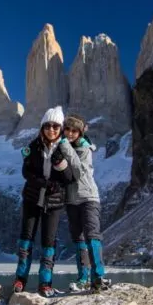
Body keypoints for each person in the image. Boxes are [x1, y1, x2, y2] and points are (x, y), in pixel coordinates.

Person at [13, 106, 74, 297]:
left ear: (61, 128)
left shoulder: (66, 149)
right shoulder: (33, 146)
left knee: (49, 242)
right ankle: (20, 280)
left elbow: (70, 176)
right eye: (47, 126)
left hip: (54, 202)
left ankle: (45, 282)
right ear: (42, 127)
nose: (51, 130)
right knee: (26, 239)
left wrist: (60, 164)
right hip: (32, 198)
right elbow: (26, 171)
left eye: (56, 126)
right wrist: (40, 182)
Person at [58, 114, 109, 292]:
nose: (70, 133)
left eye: (74, 131)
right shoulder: (63, 148)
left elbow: (79, 171)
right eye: (68, 129)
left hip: (88, 198)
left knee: (92, 235)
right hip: (71, 201)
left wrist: (64, 145)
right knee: (78, 239)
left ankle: (99, 276)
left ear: (80, 133)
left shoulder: (85, 149)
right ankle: (83, 278)